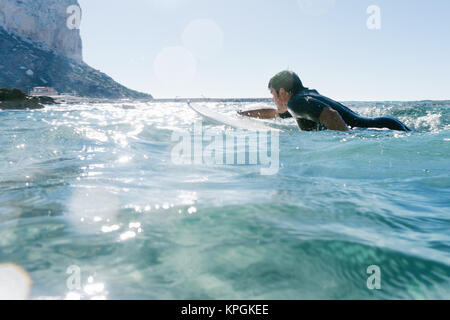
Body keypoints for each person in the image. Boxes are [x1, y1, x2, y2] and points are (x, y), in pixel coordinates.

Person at [238, 71, 410, 132]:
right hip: (387, 125)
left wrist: (348, 142)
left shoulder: (296, 103)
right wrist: (241, 115)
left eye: (272, 94)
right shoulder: (303, 98)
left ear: (282, 92)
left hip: (382, 131)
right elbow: (275, 113)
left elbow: (331, 115)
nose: (272, 99)